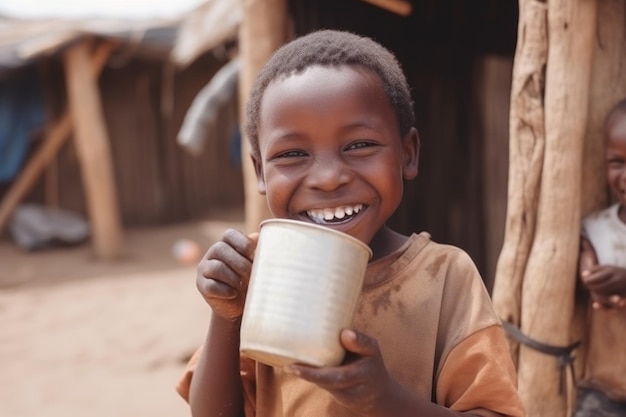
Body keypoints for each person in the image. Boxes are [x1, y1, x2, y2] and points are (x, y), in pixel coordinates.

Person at [176, 29, 525, 417]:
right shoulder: (258, 270)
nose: (328, 177)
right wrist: (226, 316)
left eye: (359, 145)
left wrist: (386, 400)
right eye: (292, 153)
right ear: (259, 172)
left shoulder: (444, 277)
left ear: (407, 154)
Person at [574, 97, 626, 416]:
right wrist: (591, 279)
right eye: (617, 163)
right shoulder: (595, 229)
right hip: (605, 386)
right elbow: (585, 268)